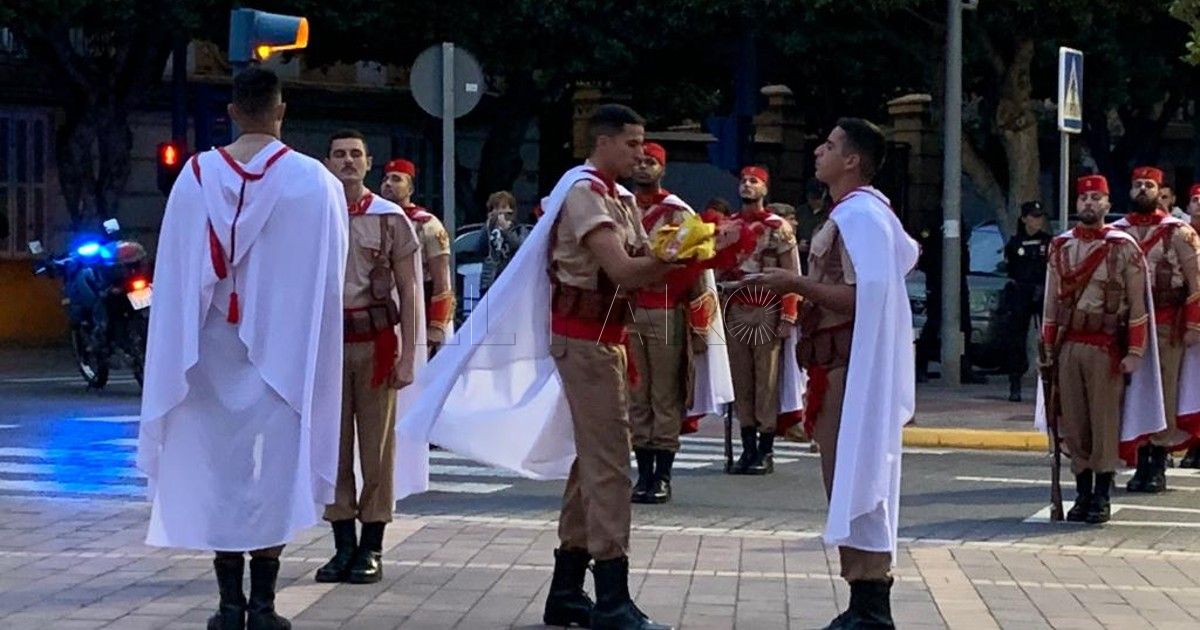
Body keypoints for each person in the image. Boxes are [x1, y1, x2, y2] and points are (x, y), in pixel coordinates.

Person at [137, 67, 348, 630]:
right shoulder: (315, 181)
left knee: (216, 466)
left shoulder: (196, 176)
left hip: (205, 350)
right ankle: (265, 604)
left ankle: (229, 605)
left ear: (231, 111)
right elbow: (329, 281)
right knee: (275, 469)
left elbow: (178, 271)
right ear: (281, 111)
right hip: (283, 351)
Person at [754, 118, 919, 628]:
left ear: (851, 160)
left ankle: (871, 605)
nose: (818, 152)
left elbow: (864, 294)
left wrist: (793, 283)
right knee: (849, 476)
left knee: (859, 475)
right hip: (834, 364)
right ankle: (864, 600)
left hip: (850, 365)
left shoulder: (861, 216)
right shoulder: (856, 214)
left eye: (828, 145)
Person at [313, 130, 423, 586]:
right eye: (338, 154)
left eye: (356, 154)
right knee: (331, 448)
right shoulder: (315, 215)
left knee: (377, 450)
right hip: (327, 347)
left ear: (369, 162)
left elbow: (412, 287)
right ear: (327, 161)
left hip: (376, 343)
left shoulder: (389, 217)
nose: (347, 162)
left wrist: (410, 354)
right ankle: (342, 545)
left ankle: (372, 545)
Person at [1039, 174, 1163, 523]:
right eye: (1084, 199)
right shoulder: (1061, 246)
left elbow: (1138, 305)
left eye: (1096, 198)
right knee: (1075, 422)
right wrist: (1047, 347)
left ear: (1108, 205)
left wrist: (1135, 352)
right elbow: (1051, 303)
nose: (1089, 204)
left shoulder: (1122, 246)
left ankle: (1102, 494)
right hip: (1069, 345)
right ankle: (1081, 492)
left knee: (1104, 421)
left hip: (1106, 347)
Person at [627, 142, 732, 505]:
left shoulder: (677, 213)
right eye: (639, 161)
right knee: (636, 395)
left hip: (667, 311)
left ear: (662, 169)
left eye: (651, 162)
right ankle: (642, 473)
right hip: (626, 311)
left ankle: (662, 475)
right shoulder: (620, 208)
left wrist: (702, 326)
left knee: (664, 394)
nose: (643, 167)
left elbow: (700, 270)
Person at [1112, 166, 1200, 493]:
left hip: (1167, 324)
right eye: (1138, 185)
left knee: (1164, 393)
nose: (1143, 190)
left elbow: (1196, 282)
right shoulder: (1117, 232)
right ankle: (1140, 457)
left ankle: (1158, 461)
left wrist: (1193, 325)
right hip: (1126, 327)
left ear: (1160, 191)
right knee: (1131, 394)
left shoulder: (1179, 233)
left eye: (1149, 185)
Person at [714, 166, 804, 475]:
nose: (747, 185)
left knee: (766, 381)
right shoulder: (728, 227)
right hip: (734, 308)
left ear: (765, 189)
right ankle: (747, 445)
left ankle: (765, 448)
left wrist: (789, 314)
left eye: (754, 181)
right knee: (741, 380)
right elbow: (717, 271)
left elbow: (792, 275)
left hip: (766, 308)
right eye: (743, 181)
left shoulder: (778, 228)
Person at [380, 159, 454, 354]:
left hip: (420, 304)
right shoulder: (374, 219)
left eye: (396, 179)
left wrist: (436, 326)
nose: (388, 183)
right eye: (386, 179)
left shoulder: (427, 225)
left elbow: (442, 281)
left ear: (410, 188)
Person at [1001, 201, 1052, 402]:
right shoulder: (1015, 244)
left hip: (1042, 291)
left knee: (1047, 339)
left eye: (1040, 216)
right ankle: (1015, 384)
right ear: (1024, 219)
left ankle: (1049, 384)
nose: (1037, 220)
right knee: (1016, 341)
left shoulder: (1049, 242)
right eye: (1033, 216)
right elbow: (1010, 269)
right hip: (1021, 293)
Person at [480, 190, 524, 294]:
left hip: (512, 281)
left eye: (504, 208)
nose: (500, 212)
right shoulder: (488, 228)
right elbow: (480, 248)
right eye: (496, 208)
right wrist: (487, 227)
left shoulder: (519, 229)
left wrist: (505, 230)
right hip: (490, 281)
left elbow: (519, 247)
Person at [1184, 183, 1200, 469]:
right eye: (1195, 200)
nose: (1199, 204)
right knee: (1187, 387)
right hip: (1185, 320)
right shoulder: (1181, 236)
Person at [795, 179, 829, 274]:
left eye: (817, 198)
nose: (815, 201)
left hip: (822, 263)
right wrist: (797, 245)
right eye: (812, 198)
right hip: (802, 261)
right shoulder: (800, 212)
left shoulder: (831, 213)